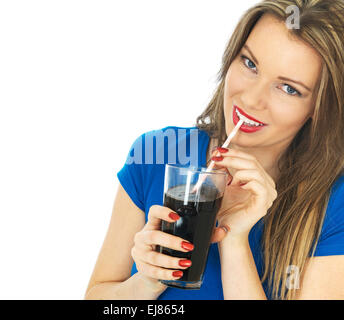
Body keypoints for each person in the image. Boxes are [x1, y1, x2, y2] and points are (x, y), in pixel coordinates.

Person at [85, 0, 344, 300]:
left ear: (320, 108)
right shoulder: (155, 152)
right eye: (250, 64)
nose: (251, 98)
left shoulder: (333, 205)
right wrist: (149, 280)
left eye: (288, 88)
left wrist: (234, 239)